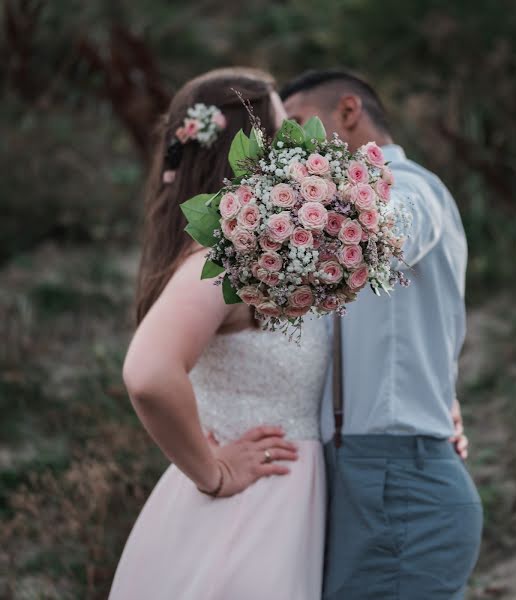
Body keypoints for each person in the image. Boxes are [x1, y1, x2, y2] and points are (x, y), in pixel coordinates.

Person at [109, 67, 329, 600]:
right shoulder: (221, 261)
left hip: (277, 505)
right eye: (283, 136)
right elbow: (148, 373)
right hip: (249, 516)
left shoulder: (251, 254)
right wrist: (214, 474)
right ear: (246, 150)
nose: (295, 154)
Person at [281, 69, 483, 599]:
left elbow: (396, 226)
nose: (288, 149)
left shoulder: (413, 187)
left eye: (297, 126)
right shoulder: (317, 218)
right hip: (363, 479)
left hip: (397, 481)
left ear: (349, 112)